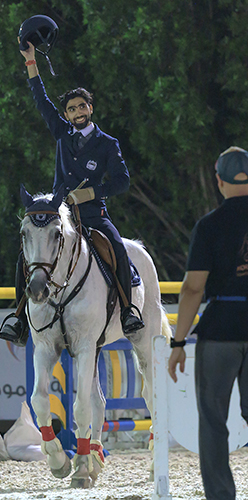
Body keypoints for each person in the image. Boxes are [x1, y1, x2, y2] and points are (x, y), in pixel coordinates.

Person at [0, 41, 144, 346]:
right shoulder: (62, 133)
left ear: (90, 108)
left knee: (117, 247)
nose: (77, 112)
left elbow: (122, 182)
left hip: (93, 215)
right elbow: (41, 99)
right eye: (71, 109)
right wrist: (30, 61)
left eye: (82, 106)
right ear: (66, 114)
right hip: (59, 215)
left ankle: (129, 311)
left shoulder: (108, 143)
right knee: (25, 258)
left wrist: (90, 193)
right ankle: (19, 318)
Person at [168, 146, 248, 500]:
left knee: (214, 420)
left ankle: (221, 495)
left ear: (218, 180)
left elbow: (192, 288)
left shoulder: (209, 226)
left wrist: (178, 342)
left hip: (220, 332)